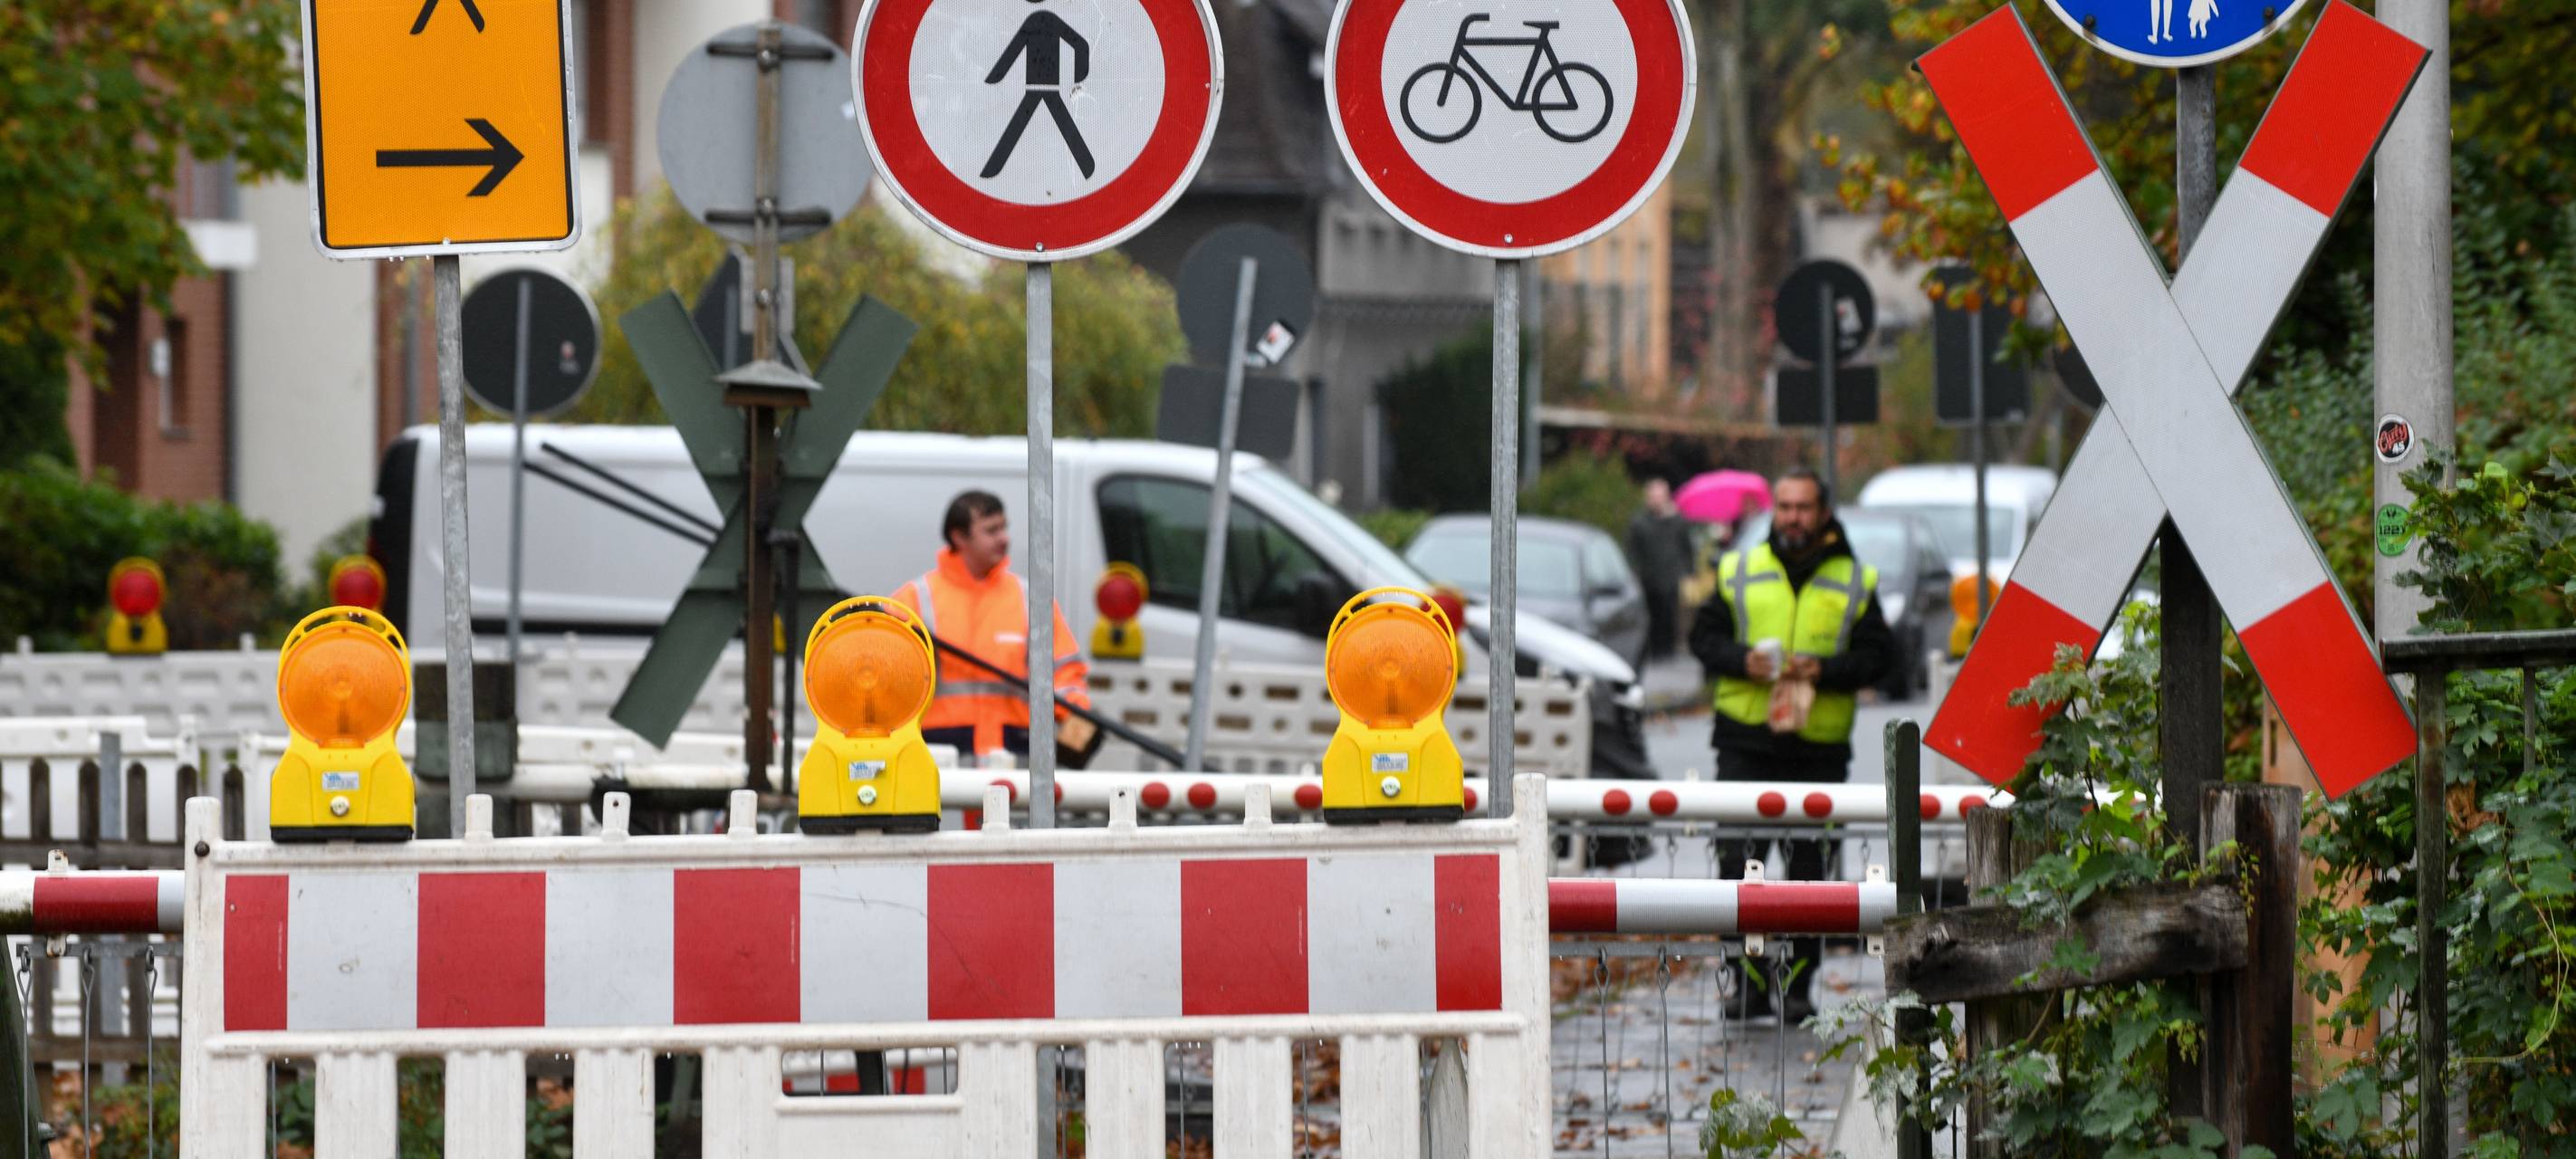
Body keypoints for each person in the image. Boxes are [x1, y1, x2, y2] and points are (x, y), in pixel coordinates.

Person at [1687, 467, 1894, 1023]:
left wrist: (1824, 669)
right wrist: (1742, 661)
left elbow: (1881, 659)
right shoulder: (1740, 570)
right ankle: (1748, 989)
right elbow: (1701, 639)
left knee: (1811, 874)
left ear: (1824, 513)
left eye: (1803, 507)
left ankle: (1797, 992)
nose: (1792, 518)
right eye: (1783, 507)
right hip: (1745, 741)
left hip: (1816, 749)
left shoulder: (1855, 578)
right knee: (1738, 866)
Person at [892, 490, 1095, 761]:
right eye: (991, 530)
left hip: (1016, 759)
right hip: (940, 761)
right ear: (959, 537)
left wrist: (1078, 727)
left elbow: (1066, 673)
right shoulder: (914, 599)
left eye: (1004, 528)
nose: (1004, 539)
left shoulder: (1030, 599)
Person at [1624, 478, 1693, 659]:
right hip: (1648, 577)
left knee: (1669, 614)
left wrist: (1688, 570)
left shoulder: (1677, 521)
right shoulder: (1639, 522)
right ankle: (1655, 650)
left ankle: (1668, 650)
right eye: (1653, 497)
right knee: (1652, 615)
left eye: (1659, 497)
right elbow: (1633, 549)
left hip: (1670, 576)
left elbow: (1686, 547)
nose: (1656, 501)